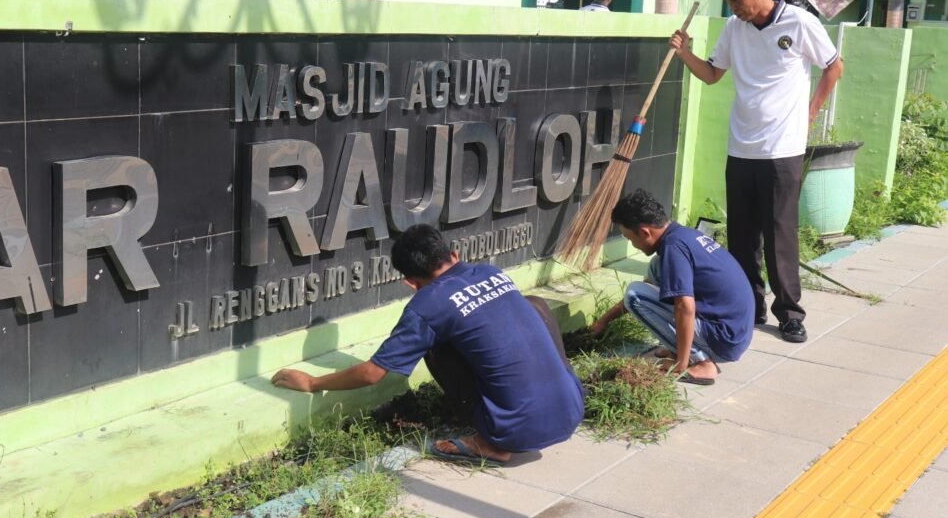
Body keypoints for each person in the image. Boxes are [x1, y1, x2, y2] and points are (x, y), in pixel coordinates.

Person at [271, 224, 585, 465]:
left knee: (436, 347)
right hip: (572, 411)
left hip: (515, 432)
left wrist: (312, 382)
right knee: (533, 303)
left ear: (410, 282)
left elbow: (372, 373)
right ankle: (544, 401)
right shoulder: (491, 272)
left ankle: (490, 442)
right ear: (454, 255)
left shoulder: (428, 303)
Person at [669, 0, 844, 343]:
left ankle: (790, 313)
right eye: (729, 1)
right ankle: (750, 304)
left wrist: (810, 113)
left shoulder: (798, 23)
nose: (733, 7)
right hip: (741, 147)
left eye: (736, 0)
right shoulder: (735, 29)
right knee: (742, 235)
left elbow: (834, 67)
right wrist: (684, 54)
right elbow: (713, 74)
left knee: (780, 232)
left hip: (782, 149)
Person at [589, 190, 754, 385]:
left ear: (644, 232)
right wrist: (604, 321)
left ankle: (702, 363)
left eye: (630, 239)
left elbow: (685, 307)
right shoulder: (681, 235)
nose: (633, 246)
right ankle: (679, 349)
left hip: (724, 339)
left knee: (634, 296)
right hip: (734, 331)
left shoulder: (674, 248)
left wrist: (681, 364)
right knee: (655, 268)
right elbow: (649, 286)